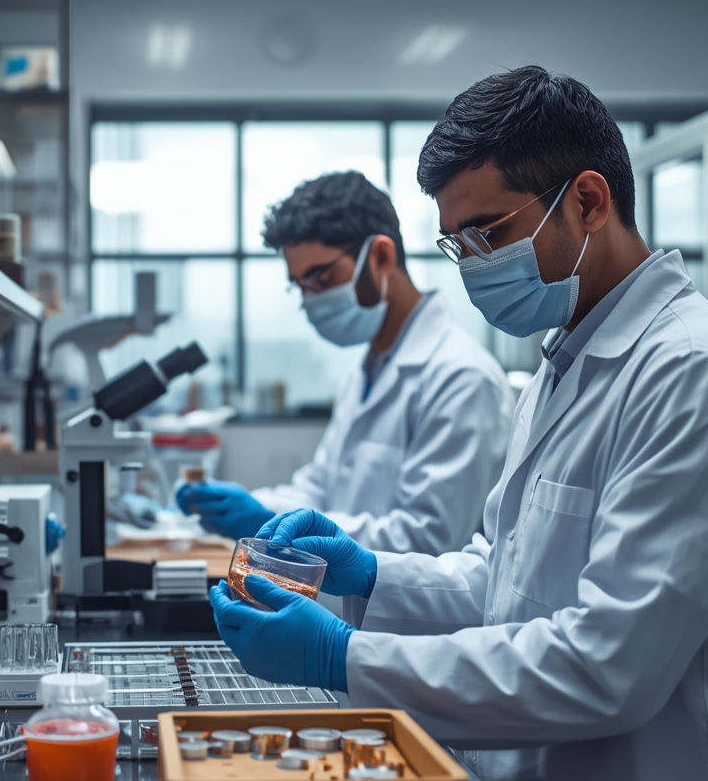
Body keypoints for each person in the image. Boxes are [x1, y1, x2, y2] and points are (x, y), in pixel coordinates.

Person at [210, 67, 708, 781]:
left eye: (489, 232)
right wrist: (363, 576)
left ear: (589, 199)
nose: (473, 263)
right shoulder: (564, 363)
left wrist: (346, 656)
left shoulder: (698, 378)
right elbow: (502, 572)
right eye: (456, 241)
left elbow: (607, 664)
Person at [178, 171, 512, 555]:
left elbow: (428, 540)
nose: (309, 301)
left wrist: (267, 524)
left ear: (381, 256)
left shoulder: (461, 377)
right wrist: (257, 507)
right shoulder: (367, 369)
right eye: (300, 286)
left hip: (411, 612)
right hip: (347, 602)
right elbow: (322, 487)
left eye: (320, 278)